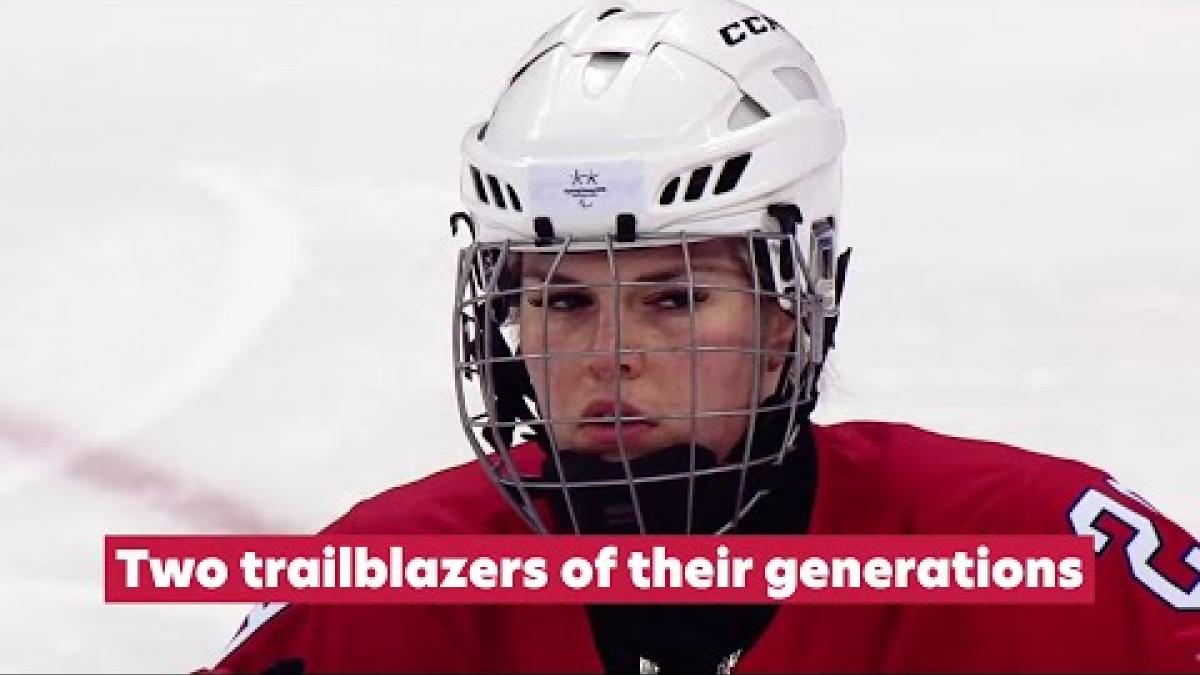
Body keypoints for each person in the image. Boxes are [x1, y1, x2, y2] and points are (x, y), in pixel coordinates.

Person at [208, 0, 1200, 672]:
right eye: (563, 302)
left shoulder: (1037, 547)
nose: (609, 354)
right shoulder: (387, 589)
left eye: (676, 299)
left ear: (791, 312)